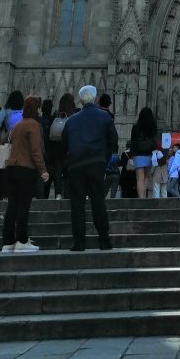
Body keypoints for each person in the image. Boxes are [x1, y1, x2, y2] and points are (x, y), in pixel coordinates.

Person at [62, 85, 118, 251]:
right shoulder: (104, 117)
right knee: (98, 201)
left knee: (77, 205)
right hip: (96, 164)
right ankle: (104, 240)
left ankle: (79, 242)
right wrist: (103, 159)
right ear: (94, 98)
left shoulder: (72, 120)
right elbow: (113, 141)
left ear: (81, 100)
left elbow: (65, 142)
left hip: (76, 166)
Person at [1, 95, 49, 253]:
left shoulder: (18, 125)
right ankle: (22, 240)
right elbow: (36, 151)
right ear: (36, 109)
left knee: (12, 206)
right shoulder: (33, 125)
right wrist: (43, 170)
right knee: (23, 205)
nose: (41, 110)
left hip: (11, 169)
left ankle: (8, 242)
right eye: (40, 107)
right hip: (25, 169)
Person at [130, 106, 157, 198]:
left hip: (138, 154)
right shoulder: (153, 127)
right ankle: (144, 198)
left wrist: (131, 155)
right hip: (149, 154)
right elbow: (155, 141)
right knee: (146, 178)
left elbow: (132, 141)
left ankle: (140, 198)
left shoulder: (135, 127)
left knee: (139, 178)